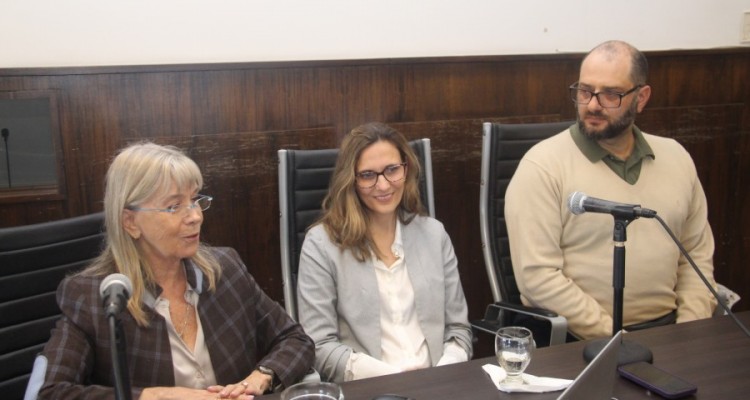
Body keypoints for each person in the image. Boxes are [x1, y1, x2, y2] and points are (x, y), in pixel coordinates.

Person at [39, 142, 314, 399]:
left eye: (195, 200)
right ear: (130, 221)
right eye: (174, 206)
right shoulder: (95, 297)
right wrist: (152, 396)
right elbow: (51, 391)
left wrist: (260, 378)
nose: (195, 216)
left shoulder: (225, 270)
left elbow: (295, 339)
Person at [505, 40, 717, 340]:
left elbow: (696, 255)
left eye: (610, 95)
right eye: (584, 91)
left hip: (675, 333)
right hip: (586, 340)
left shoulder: (676, 157)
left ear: (641, 98)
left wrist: (690, 331)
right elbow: (537, 278)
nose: (592, 104)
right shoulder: (542, 167)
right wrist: (619, 340)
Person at [296, 122, 473, 383]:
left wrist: (441, 374)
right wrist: (393, 379)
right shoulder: (321, 245)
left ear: (406, 169)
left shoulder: (434, 235)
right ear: (351, 180)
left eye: (392, 170)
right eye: (368, 175)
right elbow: (319, 346)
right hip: (370, 388)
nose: (383, 185)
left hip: (439, 385)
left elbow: (458, 330)